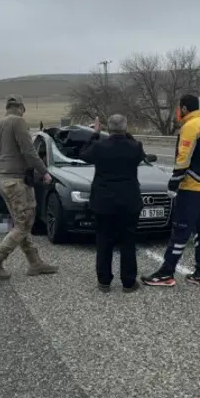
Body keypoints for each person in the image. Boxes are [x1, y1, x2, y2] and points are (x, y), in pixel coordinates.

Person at [142, 94, 200, 288]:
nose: (177, 112)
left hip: (191, 188)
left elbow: (183, 158)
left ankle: (166, 273)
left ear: (184, 109)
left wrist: (173, 184)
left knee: (180, 231)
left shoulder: (190, 127)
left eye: (179, 108)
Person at [0, 94, 58, 279]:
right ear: (22, 108)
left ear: (7, 108)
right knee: (23, 225)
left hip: (4, 180)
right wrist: (44, 172)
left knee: (20, 222)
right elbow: (29, 151)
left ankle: (35, 263)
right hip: (17, 181)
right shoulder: (19, 123)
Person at [79, 114, 144, 293]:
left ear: (108, 128)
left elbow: (83, 154)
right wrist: (127, 134)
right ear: (125, 127)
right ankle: (129, 282)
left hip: (104, 201)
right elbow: (140, 155)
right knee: (128, 242)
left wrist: (94, 134)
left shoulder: (100, 147)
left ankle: (104, 281)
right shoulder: (135, 147)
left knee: (103, 241)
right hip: (129, 201)